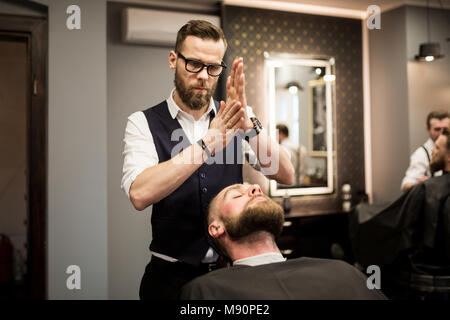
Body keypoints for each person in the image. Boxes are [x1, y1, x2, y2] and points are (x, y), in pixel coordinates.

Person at [120, 20, 294, 300]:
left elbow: (286, 174)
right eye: (194, 64)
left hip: (234, 274)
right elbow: (140, 194)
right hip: (169, 279)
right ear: (173, 60)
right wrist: (207, 144)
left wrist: (250, 126)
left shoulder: (236, 118)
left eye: (213, 68)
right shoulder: (143, 123)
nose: (204, 76)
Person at [179, 183, 387, 300]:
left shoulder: (344, 272)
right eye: (236, 195)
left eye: (254, 189)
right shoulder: (205, 292)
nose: (255, 188)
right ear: (216, 228)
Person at [351, 128, 450, 270]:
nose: (432, 151)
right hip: (440, 257)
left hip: (425, 260)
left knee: (363, 215)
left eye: (437, 148)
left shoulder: (428, 188)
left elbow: (401, 225)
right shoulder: (430, 187)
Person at [401, 110, 449, 192]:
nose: (441, 133)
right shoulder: (421, 155)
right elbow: (406, 184)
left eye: (445, 129)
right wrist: (421, 185)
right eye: (437, 129)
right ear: (428, 129)